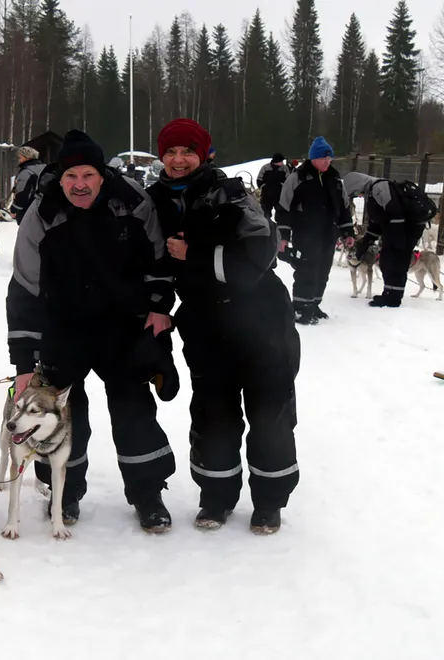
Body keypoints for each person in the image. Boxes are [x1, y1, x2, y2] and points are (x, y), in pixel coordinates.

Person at [5, 129, 178, 534]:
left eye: (87, 175)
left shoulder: (133, 202)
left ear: (102, 174)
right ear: (59, 177)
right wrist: (24, 362)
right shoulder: (41, 214)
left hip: (123, 326)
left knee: (134, 409)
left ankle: (148, 492)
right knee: (65, 414)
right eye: (70, 177)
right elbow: (24, 288)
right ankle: (65, 492)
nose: (79, 185)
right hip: (62, 330)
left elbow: (157, 260)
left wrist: (158, 308)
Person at [146, 118, 301, 535]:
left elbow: (260, 254)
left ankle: (269, 502)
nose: (179, 159)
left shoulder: (231, 194)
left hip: (260, 320)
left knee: (270, 412)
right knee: (214, 414)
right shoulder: (153, 200)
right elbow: (150, 261)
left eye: (188, 151)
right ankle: (216, 497)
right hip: (204, 322)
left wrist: (195, 255)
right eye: (171, 151)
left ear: (204, 154)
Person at [275, 136, 355, 325]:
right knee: (306, 271)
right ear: (313, 158)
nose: (327, 162)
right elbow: (284, 208)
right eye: (323, 159)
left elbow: (343, 207)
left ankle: (314, 304)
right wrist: (284, 236)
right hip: (306, 234)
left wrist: (347, 232)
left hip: (329, 233)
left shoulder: (335, 178)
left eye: (329, 159)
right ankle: (301, 309)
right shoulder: (298, 177)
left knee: (322, 272)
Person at [343, 172, 428, 308]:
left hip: (405, 231)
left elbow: (395, 213)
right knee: (387, 262)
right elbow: (377, 222)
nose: (358, 196)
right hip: (396, 231)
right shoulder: (371, 192)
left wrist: (397, 241)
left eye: (355, 193)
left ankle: (394, 298)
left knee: (397, 263)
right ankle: (388, 293)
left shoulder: (380, 188)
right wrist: (365, 243)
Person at [9, 146, 45, 224]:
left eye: (20, 158)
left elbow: (22, 194)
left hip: (29, 211)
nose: (19, 160)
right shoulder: (44, 168)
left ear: (27, 157)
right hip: (46, 209)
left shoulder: (26, 172)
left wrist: (14, 209)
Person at [255, 153, 292, 219]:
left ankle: (279, 228)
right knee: (265, 215)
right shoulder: (265, 167)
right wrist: (263, 187)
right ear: (276, 161)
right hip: (267, 196)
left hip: (280, 196)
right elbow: (259, 179)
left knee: (281, 216)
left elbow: (288, 180)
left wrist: (284, 188)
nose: (282, 163)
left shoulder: (284, 168)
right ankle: (268, 227)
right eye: (281, 161)